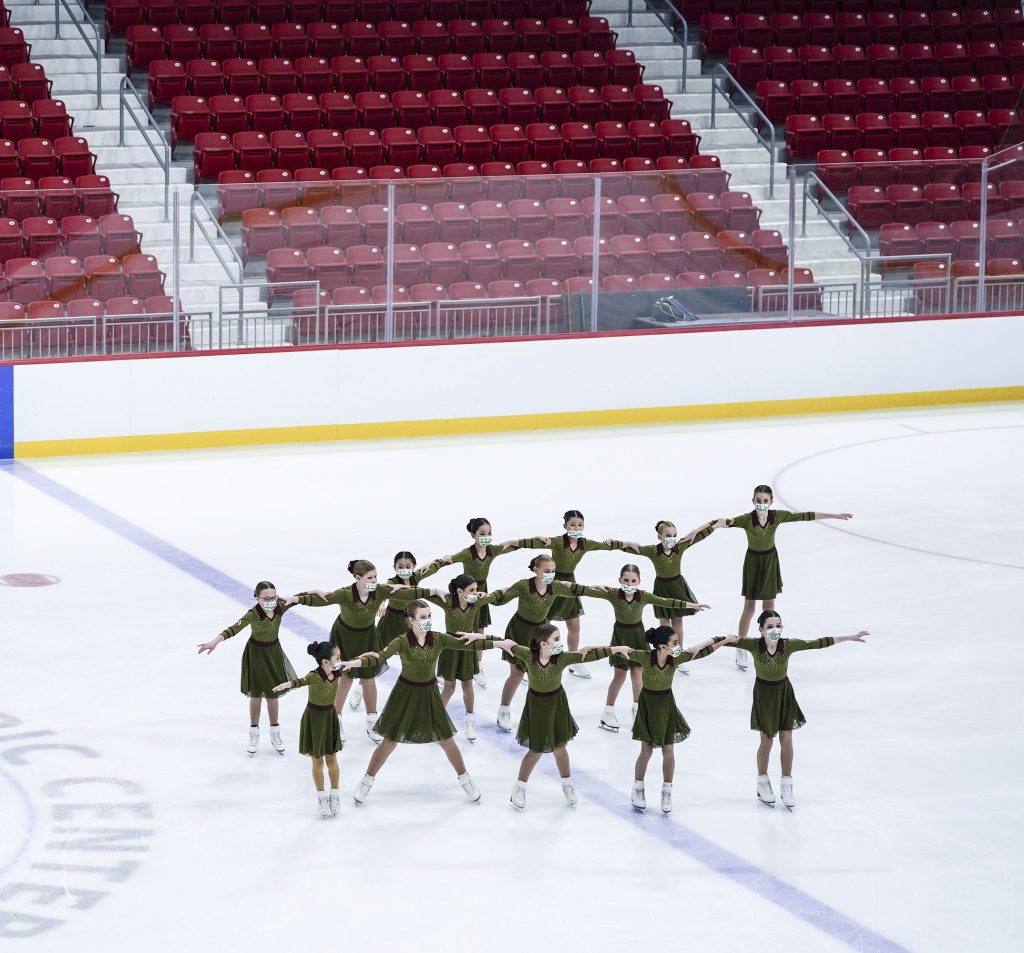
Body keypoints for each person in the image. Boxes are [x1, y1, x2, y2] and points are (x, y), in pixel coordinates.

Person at [347, 600, 516, 805]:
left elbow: (469, 644)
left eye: (429, 616)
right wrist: (355, 662)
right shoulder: (401, 641)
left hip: (429, 694)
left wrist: (499, 642)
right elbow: (378, 658)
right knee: (390, 741)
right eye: (423, 617)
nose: (428, 620)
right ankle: (367, 781)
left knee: (446, 739)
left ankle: (465, 779)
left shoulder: (438, 639)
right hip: (405, 694)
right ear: (412, 620)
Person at [686, 486, 853, 671]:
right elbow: (719, 522)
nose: (762, 504)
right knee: (749, 608)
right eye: (758, 500)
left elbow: (805, 516)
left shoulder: (778, 516)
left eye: (765, 501)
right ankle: (741, 647)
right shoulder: (747, 519)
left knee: (769, 609)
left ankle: (765, 644)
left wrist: (834, 515)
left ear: (771, 501)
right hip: (753, 563)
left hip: (770, 562)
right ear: (753, 501)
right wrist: (695, 531)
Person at [734, 610, 868, 809]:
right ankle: (762, 782)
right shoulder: (753, 645)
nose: (775, 630)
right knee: (767, 740)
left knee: (787, 738)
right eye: (770, 626)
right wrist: (703, 646)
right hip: (764, 696)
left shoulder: (788, 645)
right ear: (761, 629)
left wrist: (849, 637)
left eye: (778, 626)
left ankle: (787, 785)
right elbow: (723, 641)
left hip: (784, 694)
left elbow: (817, 643)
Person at [302, 560, 439, 744]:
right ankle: (335, 719)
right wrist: (297, 598)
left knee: (368, 678)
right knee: (346, 677)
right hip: (345, 637)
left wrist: (433, 591)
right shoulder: (345, 594)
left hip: (367, 637)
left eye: (375, 576)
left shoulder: (379, 591)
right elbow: (321, 599)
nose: (374, 580)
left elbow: (406, 593)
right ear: (358, 578)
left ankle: (372, 721)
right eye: (369, 578)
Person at [508, 624, 632, 812]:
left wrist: (616, 649)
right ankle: (520, 787)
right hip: (537, 707)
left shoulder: (562, 658)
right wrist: (478, 637)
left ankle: (567, 785)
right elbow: (505, 644)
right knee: (536, 750)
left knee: (559, 747)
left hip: (557, 705)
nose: (560, 643)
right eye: (556, 639)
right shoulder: (527, 656)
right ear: (543, 644)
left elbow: (590, 655)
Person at [197, 581, 321, 755]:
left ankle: (275, 733)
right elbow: (234, 628)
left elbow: (298, 598)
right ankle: (253, 733)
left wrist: (314, 590)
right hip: (255, 655)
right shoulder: (253, 613)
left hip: (273, 654)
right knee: (255, 696)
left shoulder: (280, 606)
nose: (271, 601)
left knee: (273, 695)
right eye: (266, 598)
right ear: (257, 598)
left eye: (274, 597)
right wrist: (214, 641)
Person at [580, 565, 708, 733]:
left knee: (637, 674)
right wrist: (590, 586)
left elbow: (665, 601)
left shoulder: (643, 596)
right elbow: (586, 592)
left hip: (638, 637)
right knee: (619, 675)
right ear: (620, 580)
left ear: (639, 581)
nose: (629, 584)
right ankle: (608, 711)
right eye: (626, 580)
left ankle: (637, 709)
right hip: (620, 636)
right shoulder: (613, 594)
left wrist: (691, 605)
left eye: (633, 581)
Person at [418, 517, 540, 689]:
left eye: (489, 533)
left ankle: (477, 666)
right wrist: (431, 564)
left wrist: (533, 539)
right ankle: (450, 668)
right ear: (473, 535)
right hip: (466, 593)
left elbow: (513, 546)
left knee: (480, 629)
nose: (486, 537)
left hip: (480, 593)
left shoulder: (492, 550)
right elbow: (448, 559)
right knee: (463, 630)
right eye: (482, 534)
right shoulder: (468, 553)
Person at [513, 510, 638, 678]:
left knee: (574, 626)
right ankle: (533, 662)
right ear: (565, 526)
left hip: (570, 585)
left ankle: (573, 660)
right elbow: (531, 544)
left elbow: (606, 546)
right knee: (543, 627)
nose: (576, 528)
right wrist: (534, 537)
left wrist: (627, 543)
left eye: (580, 525)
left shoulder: (584, 544)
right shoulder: (558, 542)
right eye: (572, 525)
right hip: (551, 584)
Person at [627, 626, 738, 814]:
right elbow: (620, 652)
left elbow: (703, 652)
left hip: (666, 705)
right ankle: (637, 788)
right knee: (646, 750)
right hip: (648, 706)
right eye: (675, 643)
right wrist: (615, 649)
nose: (679, 646)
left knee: (668, 749)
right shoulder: (645, 657)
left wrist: (725, 640)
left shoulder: (675, 659)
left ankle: (667, 791)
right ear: (663, 646)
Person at [488, 555, 593, 731]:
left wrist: (600, 590)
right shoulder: (523, 586)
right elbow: (500, 601)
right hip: (519, 631)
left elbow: (577, 592)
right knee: (517, 674)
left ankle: (533, 713)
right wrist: (495, 594)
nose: (550, 574)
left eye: (553, 571)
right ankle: (504, 710)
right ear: (536, 570)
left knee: (537, 674)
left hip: (541, 634)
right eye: (547, 571)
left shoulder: (555, 587)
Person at [424, 574, 501, 741]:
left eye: (476, 589)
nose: (476, 593)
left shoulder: (477, 602)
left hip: (468, 646)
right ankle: (436, 721)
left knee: (467, 684)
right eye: (471, 590)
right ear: (459, 591)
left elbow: (499, 594)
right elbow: (423, 594)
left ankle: (470, 720)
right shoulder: (448, 601)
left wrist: (487, 594)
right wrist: (435, 590)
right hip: (450, 647)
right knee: (449, 687)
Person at [272, 641, 345, 819]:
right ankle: (321, 797)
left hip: (329, 718)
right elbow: (299, 682)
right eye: (337, 657)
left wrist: (369, 655)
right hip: (314, 719)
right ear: (326, 662)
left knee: (332, 759)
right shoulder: (314, 676)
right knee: (317, 762)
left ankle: (334, 794)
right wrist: (285, 685)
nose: (340, 660)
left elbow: (356, 662)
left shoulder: (338, 672)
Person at [633, 519, 715, 674]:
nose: (672, 538)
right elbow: (635, 548)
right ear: (659, 537)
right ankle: (664, 654)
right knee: (664, 622)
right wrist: (615, 543)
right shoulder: (653, 550)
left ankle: (678, 654)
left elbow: (700, 535)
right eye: (668, 535)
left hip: (677, 586)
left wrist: (714, 524)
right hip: (661, 588)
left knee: (678, 621)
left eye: (674, 535)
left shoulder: (679, 547)